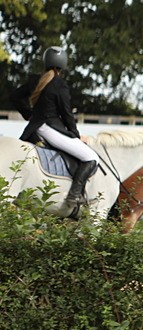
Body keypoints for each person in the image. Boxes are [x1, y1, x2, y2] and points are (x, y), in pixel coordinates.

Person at [10, 46, 102, 219]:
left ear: (45, 61)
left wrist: (29, 115)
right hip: (50, 129)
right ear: (63, 64)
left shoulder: (35, 80)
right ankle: (74, 195)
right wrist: (75, 135)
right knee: (91, 158)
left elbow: (14, 96)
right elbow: (67, 115)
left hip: (35, 129)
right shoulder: (59, 84)